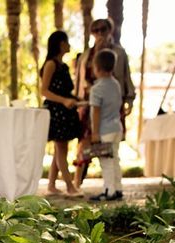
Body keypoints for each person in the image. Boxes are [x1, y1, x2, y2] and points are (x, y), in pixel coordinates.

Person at [74, 18, 135, 187]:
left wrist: (129, 98)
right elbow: (79, 80)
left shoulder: (118, 53)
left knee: (110, 153)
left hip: (111, 106)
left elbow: (125, 77)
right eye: (96, 30)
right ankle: (77, 183)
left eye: (103, 29)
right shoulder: (87, 55)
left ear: (110, 31)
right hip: (88, 104)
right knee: (84, 144)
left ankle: (112, 189)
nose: (100, 33)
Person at [40, 31, 82, 197]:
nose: (69, 44)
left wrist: (75, 99)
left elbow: (65, 91)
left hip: (65, 110)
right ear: (60, 43)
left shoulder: (62, 65)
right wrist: (64, 101)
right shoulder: (51, 64)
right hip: (56, 111)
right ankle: (70, 187)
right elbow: (44, 91)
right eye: (66, 41)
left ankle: (51, 185)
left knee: (60, 150)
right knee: (61, 149)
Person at [88, 49, 124, 202]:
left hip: (104, 130)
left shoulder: (97, 88)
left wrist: (95, 132)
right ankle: (118, 188)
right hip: (117, 127)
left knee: (106, 162)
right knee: (115, 159)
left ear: (97, 67)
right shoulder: (116, 84)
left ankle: (108, 191)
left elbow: (96, 111)